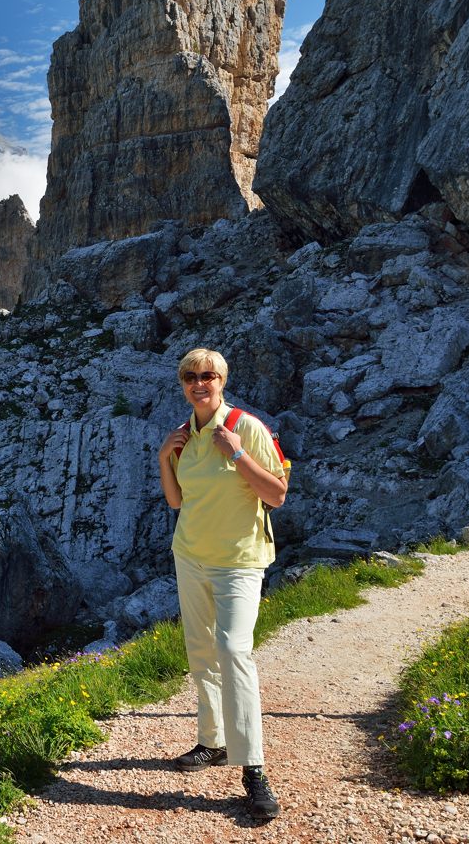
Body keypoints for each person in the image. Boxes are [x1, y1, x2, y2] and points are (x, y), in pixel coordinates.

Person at [157, 347, 288, 820]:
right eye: (190, 377)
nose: (199, 384)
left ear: (222, 381)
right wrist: (164, 457)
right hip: (191, 556)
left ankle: (253, 767)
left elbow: (277, 494)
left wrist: (236, 453)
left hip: (239, 561)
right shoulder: (183, 436)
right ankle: (212, 742)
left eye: (208, 376)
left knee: (233, 651)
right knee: (201, 651)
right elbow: (176, 501)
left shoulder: (247, 428)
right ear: (182, 384)